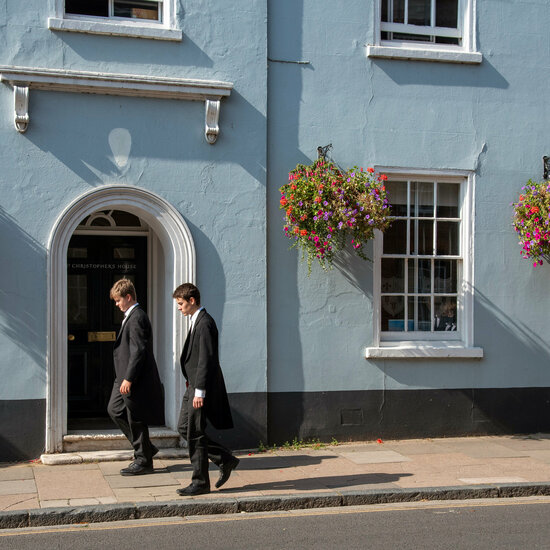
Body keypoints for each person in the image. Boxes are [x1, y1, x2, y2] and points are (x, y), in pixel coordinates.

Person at [173, 283, 239, 496]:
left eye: (181, 303)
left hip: (200, 388)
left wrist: (200, 391)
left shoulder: (204, 323)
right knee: (184, 428)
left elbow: (206, 360)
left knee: (195, 433)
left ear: (192, 301)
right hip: (192, 385)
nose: (179, 308)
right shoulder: (196, 321)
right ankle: (225, 459)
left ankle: (200, 482)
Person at [107, 278, 164, 476]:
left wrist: (129, 378)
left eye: (118, 300)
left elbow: (138, 350)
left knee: (135, 418)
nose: (116, 304)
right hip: (122, 376)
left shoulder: (137, 317)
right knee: (114, 410)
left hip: (133, 378)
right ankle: (146, 448)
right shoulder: (130, 316)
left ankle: (143, 460)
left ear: (128, 297)